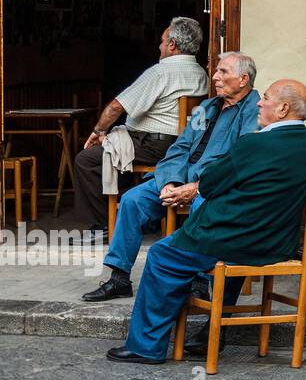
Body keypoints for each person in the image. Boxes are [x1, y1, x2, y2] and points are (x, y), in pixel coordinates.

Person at [106, 80, 306, 364]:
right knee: (206, 256)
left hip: (230, 240)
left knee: (162, 255)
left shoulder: (253, 144)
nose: (259, 102)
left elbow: (209, 183)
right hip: (275, 244)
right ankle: (213, 326)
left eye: (267, 98)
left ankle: (146, 347)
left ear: (284, 108)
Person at [81, 52, 261, 302]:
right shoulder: (207, 107)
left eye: (223, 72)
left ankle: (199, 280)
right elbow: (180, 147)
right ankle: (119, 278)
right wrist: (170, 182)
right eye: (216, 71)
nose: (215, 77)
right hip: (179, 178)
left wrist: (197, 186)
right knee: (133, 200)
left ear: (243, 79)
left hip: (212, 186)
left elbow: (241, 158)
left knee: (202, 206)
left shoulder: (255, 110)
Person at [72, 17, 209, 240]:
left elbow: (116, 107)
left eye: (163, 41)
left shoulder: (160, 72)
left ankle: (103, 226)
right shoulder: (200, 73)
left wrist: (98, 132)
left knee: (87, 160)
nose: (159, 46)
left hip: (154, 144)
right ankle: (142, 219)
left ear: (173, 45)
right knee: (116, 159)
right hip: (183, 145)